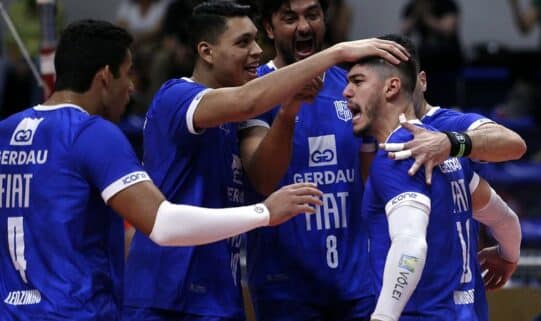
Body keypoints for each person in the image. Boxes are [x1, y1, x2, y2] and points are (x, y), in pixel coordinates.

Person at [0, 19, 325, 321]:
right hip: (75, 310)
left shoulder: (6, 131)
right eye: (127, 74)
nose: (131, 88)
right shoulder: (93, 133)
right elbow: (163, 224)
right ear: (104, 77)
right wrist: (264, 212)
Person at [122, 1, 409, 321]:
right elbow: (249, 108)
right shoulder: (178, 96)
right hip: (170, 295)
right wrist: (335, 53)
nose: (256, 50)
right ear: (206, 51)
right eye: (244, 42)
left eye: (255, 40)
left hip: (223, 292)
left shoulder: (240, 115)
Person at [342, 39, 519, 320]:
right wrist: (508, 256)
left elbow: (411, 245)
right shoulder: (444, 152)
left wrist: (383, 317)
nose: (346, 92)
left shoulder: (402, 150)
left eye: (358, 81)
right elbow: (505, 219)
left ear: (392, 86)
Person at [237, 0, 379, 319]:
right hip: (284, 288)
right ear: (270, 28)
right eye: (290, 18)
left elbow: (372, 183)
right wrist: (290, 108)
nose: (304, 27)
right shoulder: (253, 90)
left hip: (356, 286)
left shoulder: (351, 87)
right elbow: (262, 180)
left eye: (312, 15)